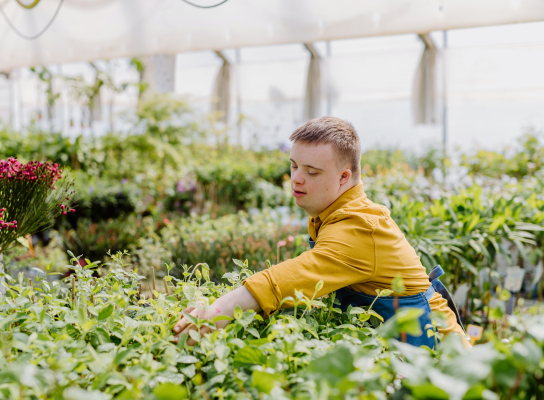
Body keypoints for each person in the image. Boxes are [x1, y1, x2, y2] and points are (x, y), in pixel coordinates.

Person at [173, 116, 467, 348]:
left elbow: (290, 277)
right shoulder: (335, 211)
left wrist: (216, 312)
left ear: (343, 177)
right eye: (294, 166)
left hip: (436, 350)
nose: (296, 180)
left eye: (312, 172)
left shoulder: (360, 228)